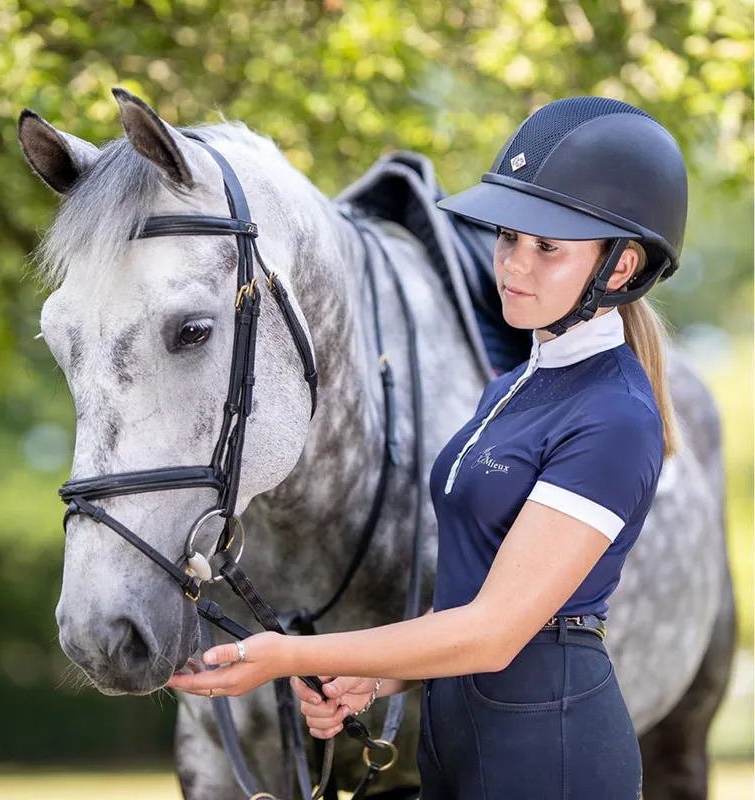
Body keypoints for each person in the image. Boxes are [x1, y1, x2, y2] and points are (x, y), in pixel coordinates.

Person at [167, 96, 688, 799]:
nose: (513, 264)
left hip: (551, 756)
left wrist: (288, 656)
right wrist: (377, 673)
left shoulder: (615, 415)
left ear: (621, 266)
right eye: (508, 237)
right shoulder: (508, 389)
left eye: (547, 247)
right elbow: (472, 600)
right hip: (458, 747)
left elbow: (499, 630)